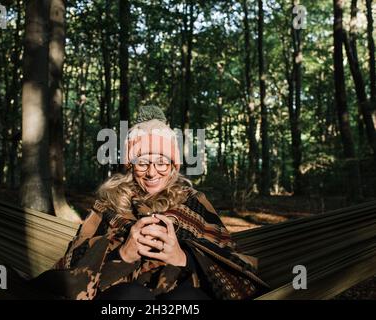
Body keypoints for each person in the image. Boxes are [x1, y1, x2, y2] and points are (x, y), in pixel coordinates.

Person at [29, 105, 269, 300]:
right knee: (132, 296)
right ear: (130, 167)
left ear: (173, 167)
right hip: (120, 293)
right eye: (143, 163)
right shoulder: (109, 204)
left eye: (162, 162)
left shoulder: (195, 202)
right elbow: (75, 261)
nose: (152, 173)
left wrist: (183, 257)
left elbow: (231, 260)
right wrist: (124, 254)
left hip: (185, 289)